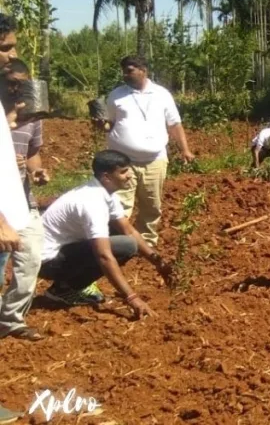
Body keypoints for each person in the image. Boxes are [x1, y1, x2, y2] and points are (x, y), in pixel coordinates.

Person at [38, 150, 172, 316]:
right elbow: (104, 256)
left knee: (120, 232)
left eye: (128, 169)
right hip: (47, 262)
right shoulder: (93, 202)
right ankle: (64, 289)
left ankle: (65, 286)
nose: (130, 175)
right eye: (123, 172)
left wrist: (157, 261)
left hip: (63, 250)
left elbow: (127, 229)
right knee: (126, 246)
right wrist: (132, 298)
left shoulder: (105, 192)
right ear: (106, 177)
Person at [104, 56, 194, 249]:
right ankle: (118, 244)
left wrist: (185, 150)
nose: (125, 75)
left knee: (151, 205)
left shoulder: (162, 94)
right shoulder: (116, 95)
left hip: (155, 160)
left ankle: (146, 243)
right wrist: (100, 125)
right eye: (124, 71)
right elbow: (108, 124)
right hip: (122, 161)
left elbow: (174, 124)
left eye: (129, 70)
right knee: (120, 204)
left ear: (143, 70)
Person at [0, 60, 47, 341]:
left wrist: (36, 170)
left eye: (22, 83)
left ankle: (11, 319)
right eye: (11, 83)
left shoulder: (32, 117)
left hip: (23, 200)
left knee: (31, 259)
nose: (18, 89)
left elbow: (33, 153)